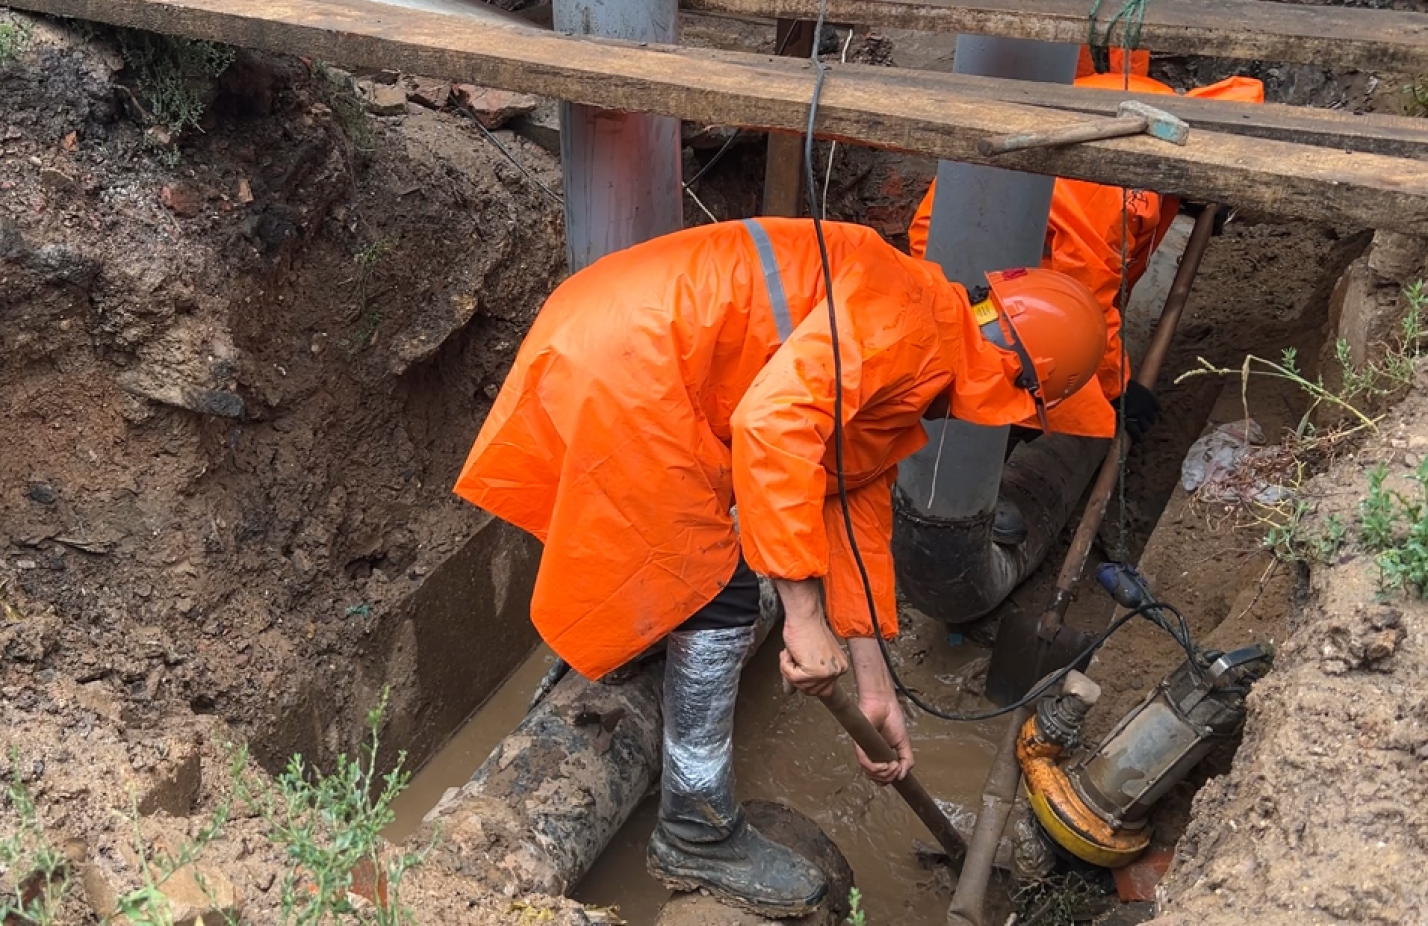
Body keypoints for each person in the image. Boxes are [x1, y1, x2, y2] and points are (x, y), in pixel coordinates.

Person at [455, 218, 1106, 916]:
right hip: (632, 364)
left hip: (611, 333)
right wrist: (799, 618)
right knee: (718, 590)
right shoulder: (910, 333)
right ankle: (694, 832)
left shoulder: (927, 320)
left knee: (653, 557)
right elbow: (773, 430)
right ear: (1013, 378)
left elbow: (849, 491)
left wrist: (872, 677)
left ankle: (621, 663)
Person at [909, 70, 1265, 444]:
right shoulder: (1117, 193)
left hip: (974, 225)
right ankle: (998, 446)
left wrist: (1195, 199)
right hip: (971, 257)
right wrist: (1117, 389)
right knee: (1013, 369)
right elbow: (1085, 296)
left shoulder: (1154, 101)